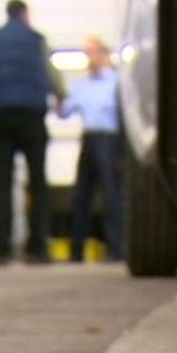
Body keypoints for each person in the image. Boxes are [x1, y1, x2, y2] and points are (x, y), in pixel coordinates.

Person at [0, 0, 65, 265]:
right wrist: (61, 97)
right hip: (31, 116)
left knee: (3, 182)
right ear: (24, 14)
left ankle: (3, 249)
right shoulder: (36, 39)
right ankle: (38, 248)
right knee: (38, 183)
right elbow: (51, 74)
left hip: (0, 117)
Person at [60, 37, 122, 262]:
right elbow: (65, 112)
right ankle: (76, 250)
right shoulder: (81, 85)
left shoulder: (116, 82)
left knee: (112, 195)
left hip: (109, 139)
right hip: (88, 138)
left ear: (103, 54)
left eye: (92, 53)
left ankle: (116, 249)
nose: (89, 58)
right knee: (81, 196)